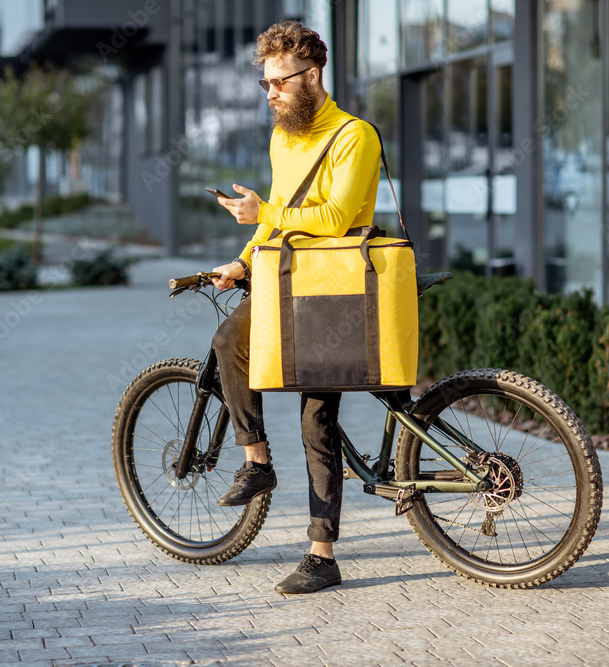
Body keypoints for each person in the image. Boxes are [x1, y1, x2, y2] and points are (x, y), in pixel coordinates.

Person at [209, 20, 382, 595]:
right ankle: (257, 462)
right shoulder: (284, 137)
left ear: (312, 75)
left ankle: (321, 555)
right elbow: (280, 213)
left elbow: (333, 217)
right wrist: (242, 258)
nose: (272, 93)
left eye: (280, 82)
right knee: (229, 342)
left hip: (335, 289)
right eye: (265, 85)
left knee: (317, 416)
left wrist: (266, 214)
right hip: (285, 279)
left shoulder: (356, 136)